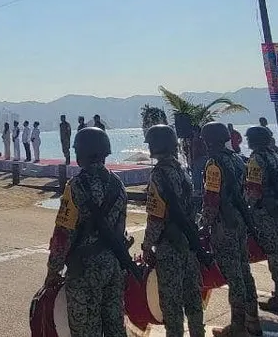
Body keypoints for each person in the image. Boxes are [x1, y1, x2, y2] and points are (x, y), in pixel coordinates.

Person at [44, 127, 129, 336]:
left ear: (81, 153)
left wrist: (53, 270)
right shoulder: (118, 185)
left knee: (85, 330)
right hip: (113, 266)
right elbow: (121, 228)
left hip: (84, 270)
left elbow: (63, 234)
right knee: (115, 327)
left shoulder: (75, 186)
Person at [141, 125, 204, 337]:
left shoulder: (159, 175)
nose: (149, 147)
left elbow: (156, 216)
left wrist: (147, 244)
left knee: (171, 301)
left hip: (169, 245)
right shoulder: (181, 170)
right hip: (188, 241)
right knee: (193, 296)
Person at [200, 122, 260, 336]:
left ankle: (238, 327)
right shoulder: (237, 159)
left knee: (234, 276)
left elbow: (212, 199)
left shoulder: (214, 164)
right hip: (240, 222)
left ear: (207, 140)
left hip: (224, 225)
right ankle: (253, 320)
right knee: (244, 271)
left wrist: (203, 225)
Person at [243, 126, 278, 312]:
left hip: (264, 210)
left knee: (274, 253)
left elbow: (254, 189)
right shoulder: (275, 156)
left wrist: (248, 208)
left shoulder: (256, 159)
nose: (247, 141)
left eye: (249, 138)